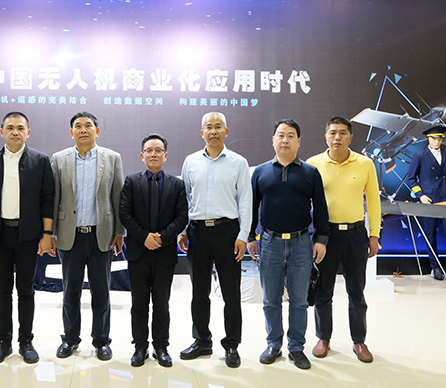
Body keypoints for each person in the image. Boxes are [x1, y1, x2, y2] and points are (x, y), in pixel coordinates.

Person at [247, 119, 329, 370]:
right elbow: (251, 207)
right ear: (273, 140)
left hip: (302, 243)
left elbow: (321, 209)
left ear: (299, 141)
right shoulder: (260, 172)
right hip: (269, 242)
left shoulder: (310, 172)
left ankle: (296, 347)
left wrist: (321, 239)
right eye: (280, 135)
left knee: (299, 300)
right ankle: (273, 344)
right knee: (270, 300)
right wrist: (250, 237)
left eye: (291, 135)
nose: (285, 140)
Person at [0, 111, 55, 364]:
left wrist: (47, 234)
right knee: (2, 291)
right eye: (10, 128)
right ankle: (3, 342)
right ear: (2, 132)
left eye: (20, 128)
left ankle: (26, 342)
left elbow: (48, 199)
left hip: (29, 236)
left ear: (28, 133)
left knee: (26, 291)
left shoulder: (40, 161)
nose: (15, 132)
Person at [177, 112, 252, 368]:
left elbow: (246, 201)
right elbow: (186, 198)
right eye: (208, 127)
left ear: (226, 131)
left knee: (231, 293)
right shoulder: (190, 162)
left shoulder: (238, 162)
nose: (213, 131)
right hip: (197, 232)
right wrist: (183, 230)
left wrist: (243, 235)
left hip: (227, 233)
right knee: (199, 292)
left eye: (218, 126)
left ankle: (231, 345)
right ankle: (202, 341)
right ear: (202, 133)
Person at [51, 111, 125, 361]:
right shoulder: (59, 159)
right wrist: (51, 233)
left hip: (100, 236)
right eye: (78, 126)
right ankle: (70, 339)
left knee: (101, 292)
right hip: (69, 235)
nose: (83, 130)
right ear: (71, 132)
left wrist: (119, 232)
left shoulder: (112, 158)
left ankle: (101, 341)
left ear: (97, 131)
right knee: (70, 291)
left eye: (88, 125)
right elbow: (54, 198)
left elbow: (118, 197)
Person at [306, 116, 380, 364]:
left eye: (342, 133)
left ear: (351, 137)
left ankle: (359, 341)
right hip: (325, 236)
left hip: (356, 236)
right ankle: (323, 338)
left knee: (356, 292)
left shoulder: (365, 163)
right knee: (323, 291)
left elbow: (374, 202)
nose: (337, 137)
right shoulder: (313, 164)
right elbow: (305, 202)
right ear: (326, 136)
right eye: (332, 133)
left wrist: (374, 234)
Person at [119, 133, 188, 367]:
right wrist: (144, 237)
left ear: (165, 155)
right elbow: (125, 213)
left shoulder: (177, 184)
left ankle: (161, 347)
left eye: (158, 150)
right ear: (142, 155)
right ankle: (140, 347)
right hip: (138, 252)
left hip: (164, 253)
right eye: (149, 150)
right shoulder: (131, 181)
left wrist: (162, 237)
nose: (153, 154)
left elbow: (182, 216)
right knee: (138, 304)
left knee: (161, 303)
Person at [406, 125, 446, 280]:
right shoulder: (420, 155)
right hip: (429, 201)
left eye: (439, 139)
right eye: (434, 138)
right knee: (430, 235)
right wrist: (421, 195)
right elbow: (411, 178)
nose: (437, 141)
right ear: (428, 139)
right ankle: (435, 267)